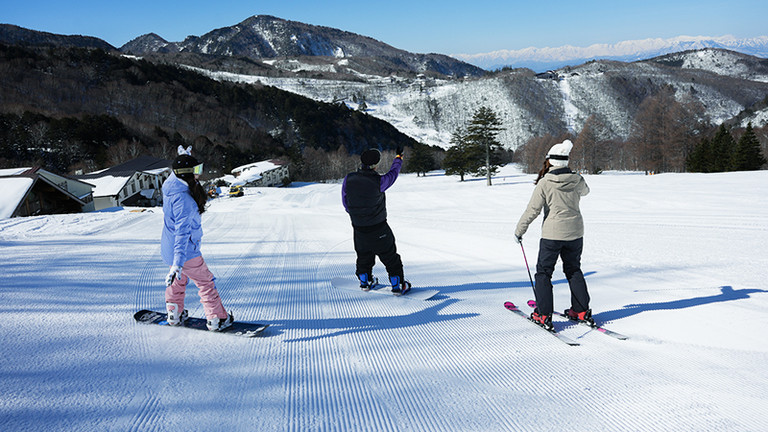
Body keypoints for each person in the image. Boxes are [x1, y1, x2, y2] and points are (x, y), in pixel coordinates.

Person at [514, 139, 591, 331]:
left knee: (544, 273)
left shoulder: (545, 182)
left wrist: (519, 230)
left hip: (552, 235)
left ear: (550, 161)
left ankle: (543, 314)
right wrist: (576, 178)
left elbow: (533, 210)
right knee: (573, 270)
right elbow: (586, 191)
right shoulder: (577, 179)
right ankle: (581, 311)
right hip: (575, 232)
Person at [161, 146, 233, 331]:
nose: (199, 174)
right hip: (185, 252)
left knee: (178, 282)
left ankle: (174, 314)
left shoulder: (170, 187)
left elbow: (176, 172)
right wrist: (178, 262)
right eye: (196, 170)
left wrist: (183, 158)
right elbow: (182, 234)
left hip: (169, 250)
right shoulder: (185, 202)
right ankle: (217, 318)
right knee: (205, 283)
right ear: (186, 174)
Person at [342, 147, 411, 294]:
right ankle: (397, 285)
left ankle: (364, 281)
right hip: (378, 228)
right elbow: (394, 173)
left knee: (363, 256)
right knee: (390, 257)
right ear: (376, 164)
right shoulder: (379, 181)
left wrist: (358, 215)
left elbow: (345, 201)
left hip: (359, 228)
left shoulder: (349, 178)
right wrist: (398, 158)